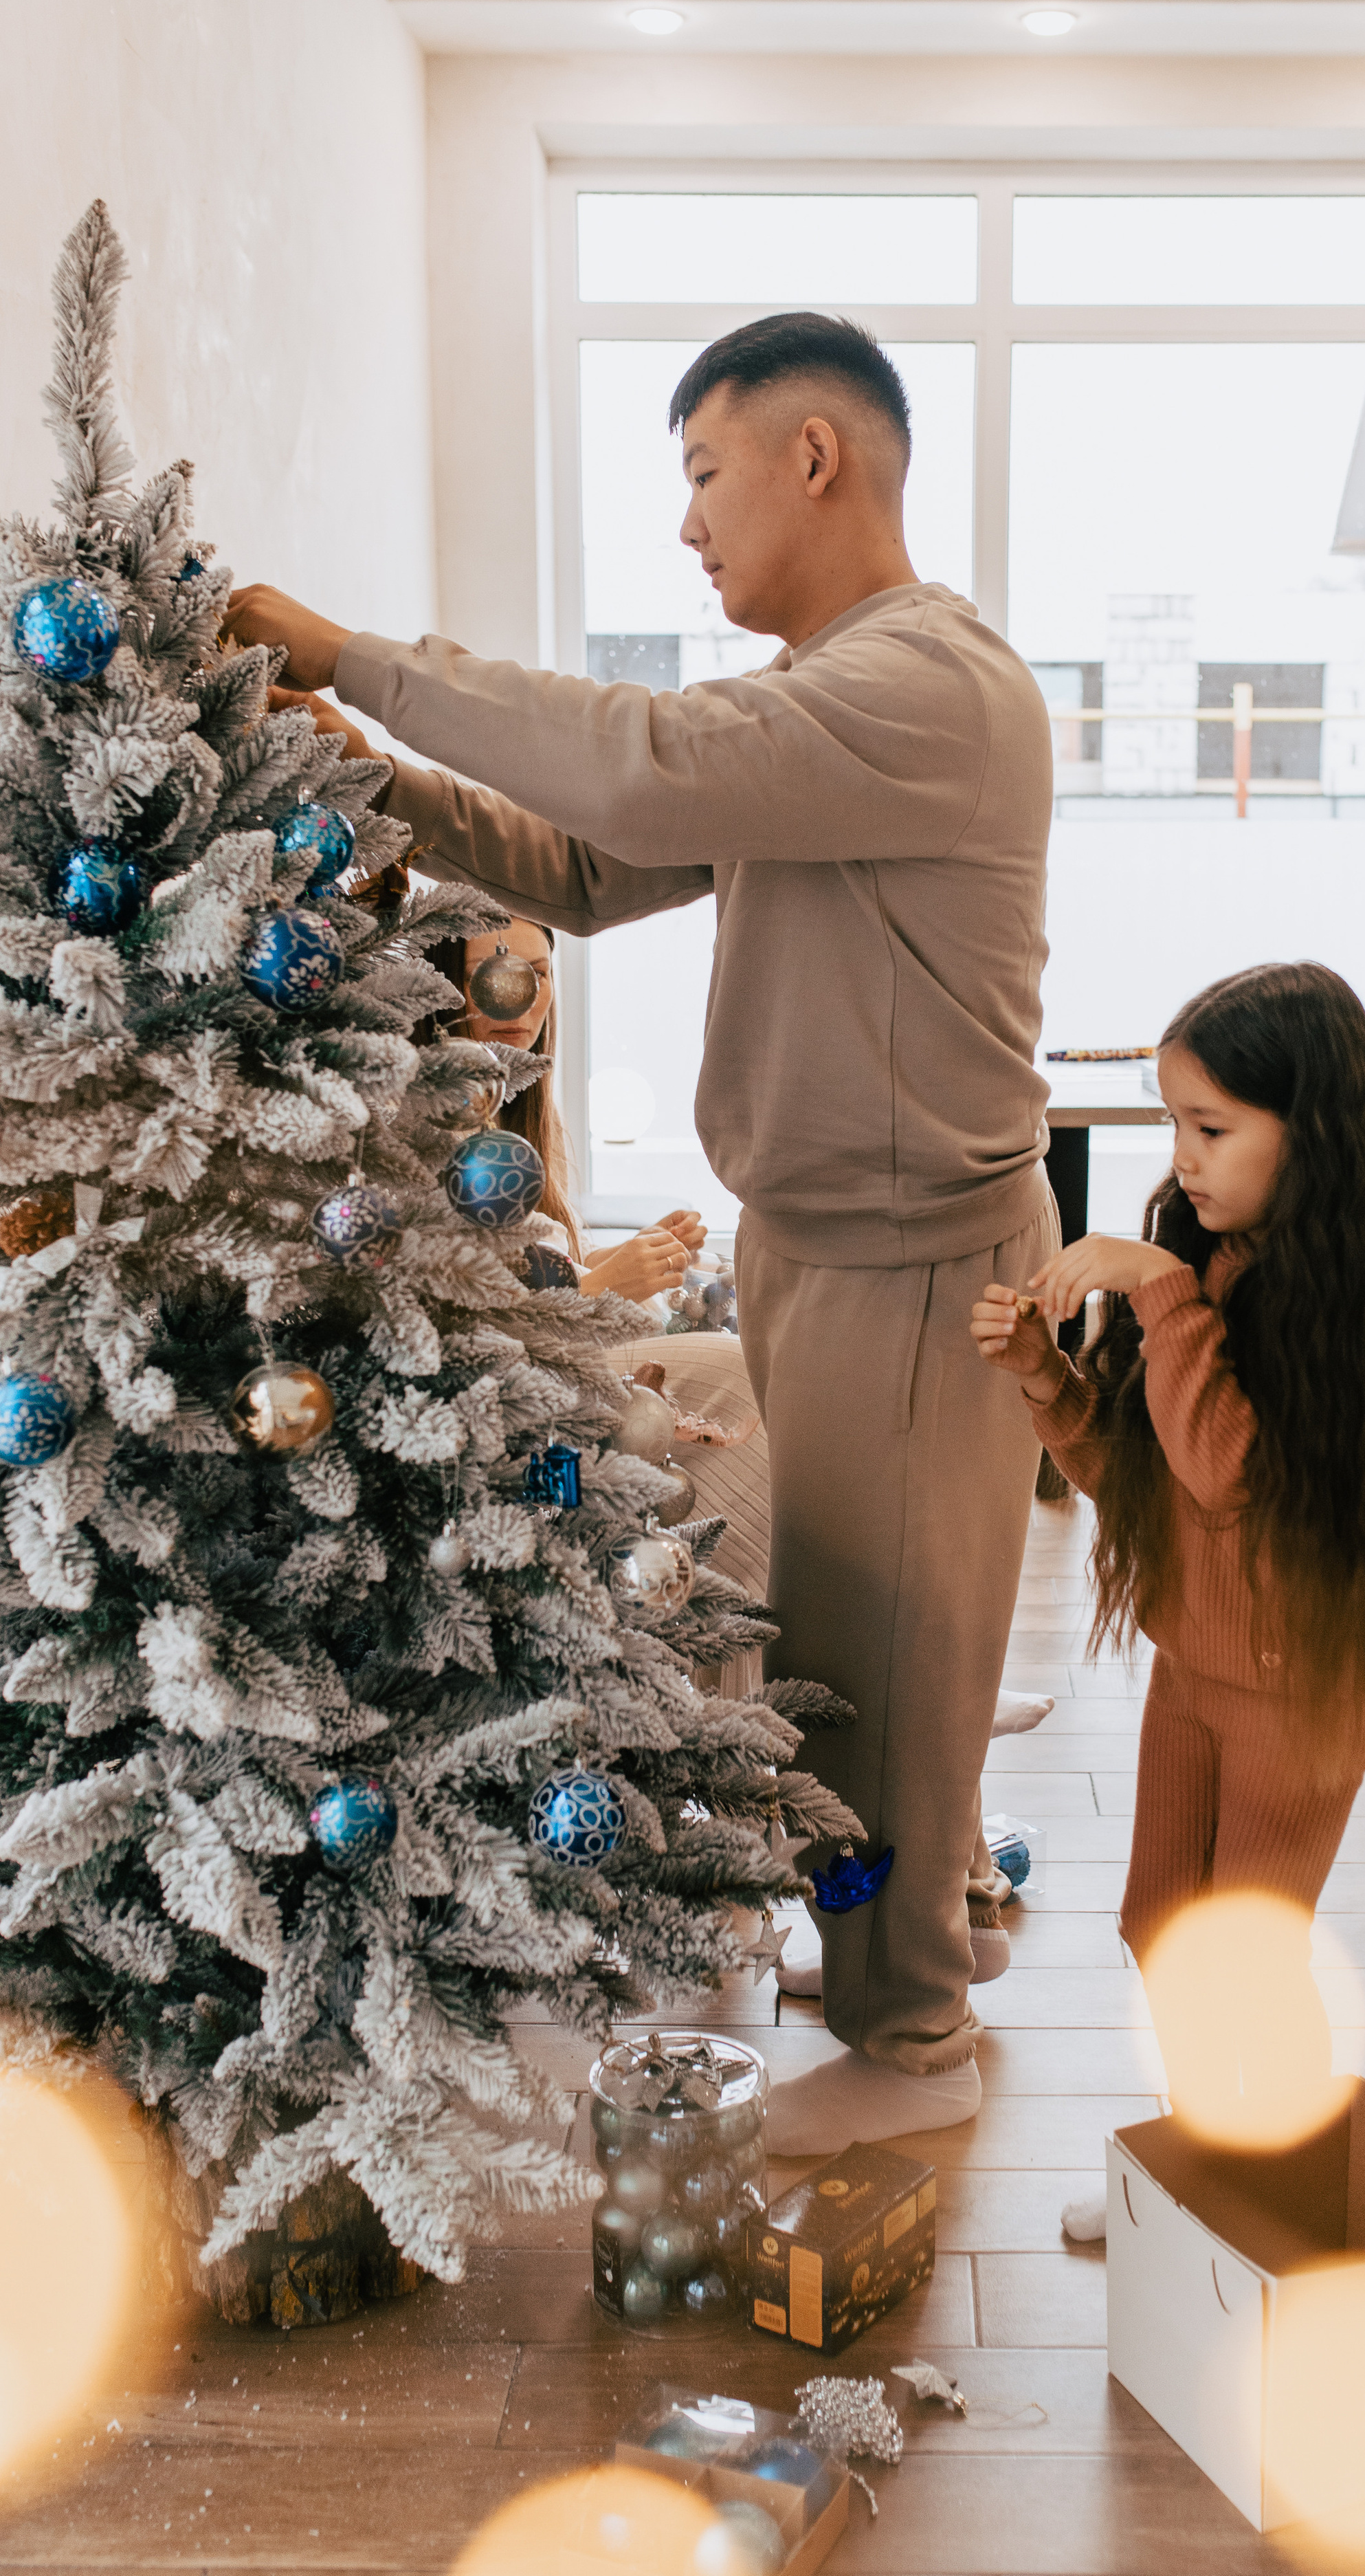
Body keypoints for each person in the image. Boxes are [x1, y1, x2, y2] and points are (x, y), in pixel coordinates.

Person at [225, 311, 1056, 2153]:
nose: (689, 524)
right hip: (828, 1244)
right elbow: (596, 865)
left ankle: (910, 2042)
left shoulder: (920, 684)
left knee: (893, 1691)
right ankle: (893, 1971)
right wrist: (352, 775)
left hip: (918, 1270)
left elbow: (649, 766)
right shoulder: (835, 704)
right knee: (840, 1659)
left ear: (814, 457)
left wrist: (359, 659)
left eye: (702, 471)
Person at [969, 962, 1365, 2239]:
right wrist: (1047, 1379)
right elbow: (1145, 1484)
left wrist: (1160, 1286)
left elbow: (1233, 1473)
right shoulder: (1203, 1262)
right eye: (1173, 1125)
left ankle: (1279, 2186)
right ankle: (1207, 2166)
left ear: (1314, 1133)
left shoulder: (1345, 1298)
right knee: (1161, 1927)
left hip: (1299, 1689)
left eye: (1212, 1129)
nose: (1183, 1160)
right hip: (1195, 1668)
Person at [432, 913, 704, 1306]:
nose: (517, 997)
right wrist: (600, 1286)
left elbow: (566, 1264)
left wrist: (645, 1251)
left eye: (536, 975)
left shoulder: (534, 1118)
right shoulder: (421, 1126)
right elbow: (461, 1310)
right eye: (490, 974)